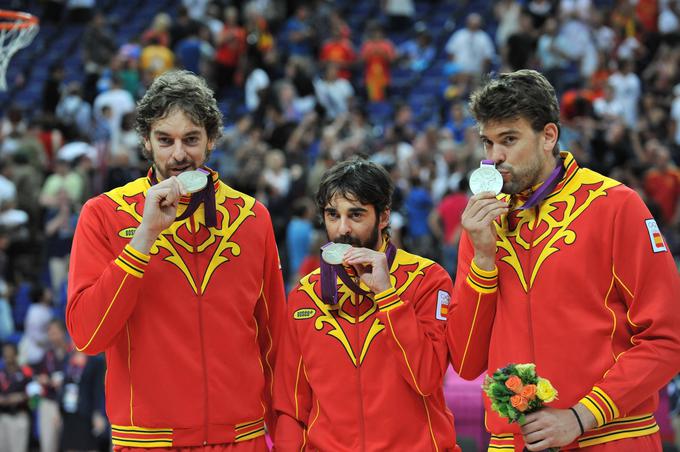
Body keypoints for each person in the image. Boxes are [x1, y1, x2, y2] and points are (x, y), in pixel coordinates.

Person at [447, 69, 680, 451]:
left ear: (549, 136)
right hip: (513, 443)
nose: (494, 159)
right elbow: (468, 361)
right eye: (487, 143)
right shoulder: (482, 226)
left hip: (610, 437)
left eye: (509, 140)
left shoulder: (616, 206)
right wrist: (483, 259)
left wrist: (580, 416)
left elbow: (666, 339)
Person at [66, 70, 286, 449]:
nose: (179, 154)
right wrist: (143, 237)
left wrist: (284, 435)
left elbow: (275, 343)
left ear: (212, 139)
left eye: (191, 139)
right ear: (146, 143)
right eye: (165, 140)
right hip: (149, 442)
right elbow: (88, 336)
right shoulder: (102, 214)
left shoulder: (252, 218)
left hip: (242, 439)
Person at [274, 158, 459, 451]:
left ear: (383, 217)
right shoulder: (304, 295)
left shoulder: (428, 280)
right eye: (333, 215)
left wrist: (387, 295)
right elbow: (291, 404)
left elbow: (426, 378)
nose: (342, 229)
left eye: (356, 215)